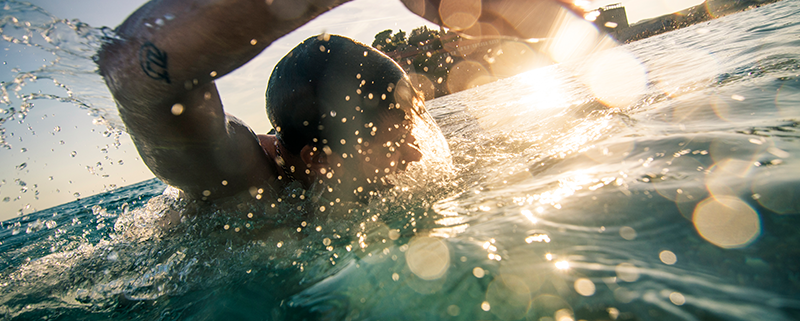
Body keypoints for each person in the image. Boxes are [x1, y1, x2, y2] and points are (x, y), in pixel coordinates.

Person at [97, 0, 439, 207]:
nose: (415, 154)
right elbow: (131, 65)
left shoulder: (319, 173)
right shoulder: (236, 174)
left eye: (406, 136)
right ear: (318, 159)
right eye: (394, 144)